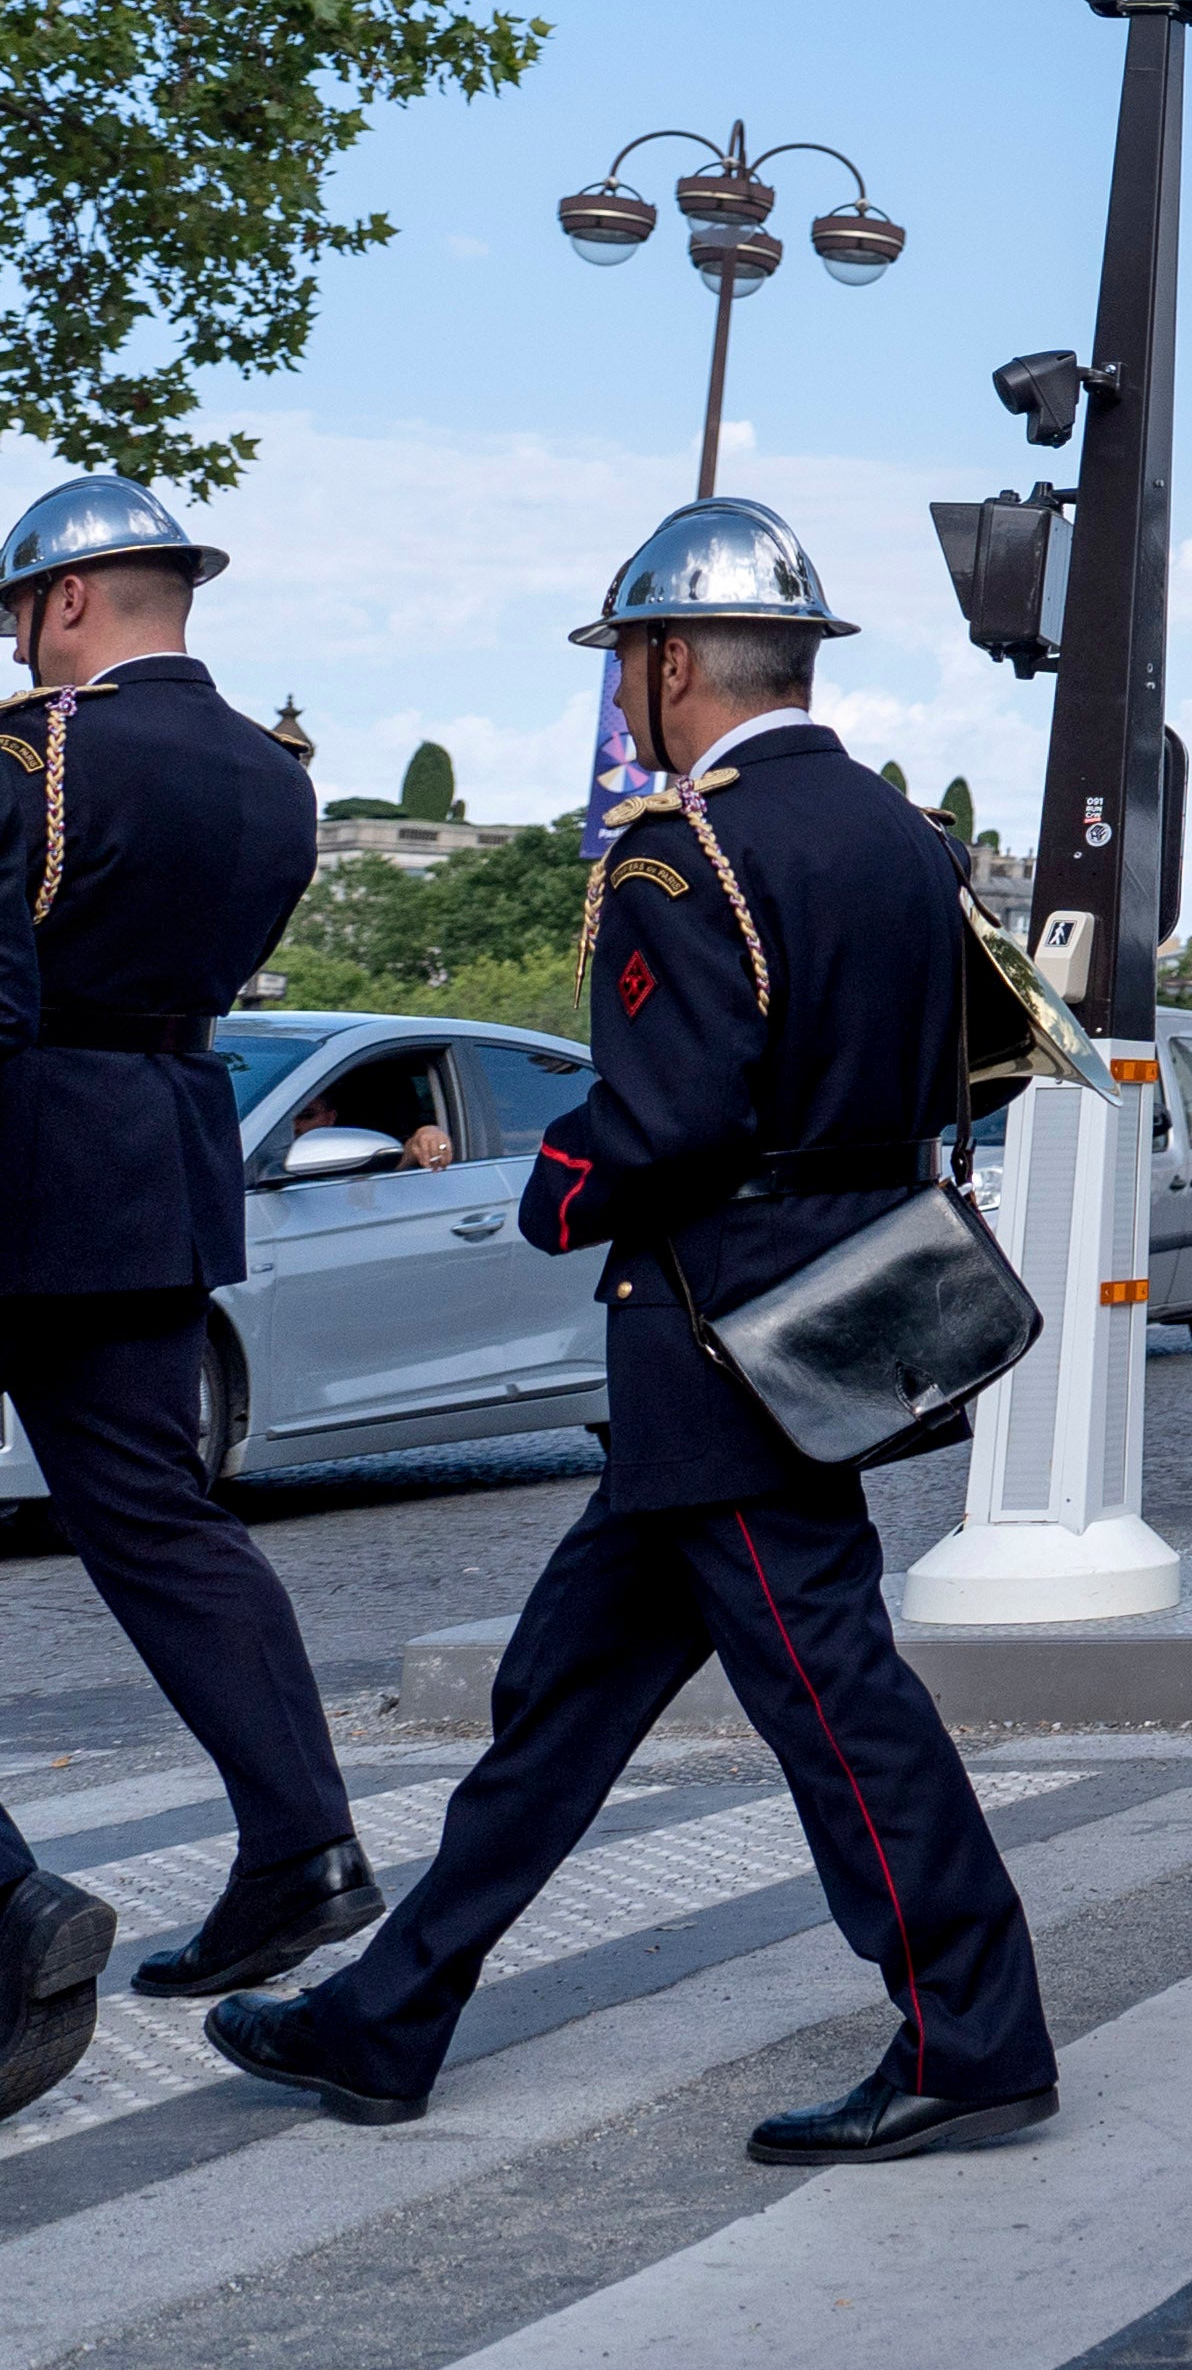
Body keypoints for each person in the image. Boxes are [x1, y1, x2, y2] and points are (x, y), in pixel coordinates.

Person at [213, 501, 1057, 2162]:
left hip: (719, 1337)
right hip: (835, 1309)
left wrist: (550, 1188)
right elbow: (982, 1057)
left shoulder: (687, 851)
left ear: (671, 663)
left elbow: (664, 1121)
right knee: (562, 1703)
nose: (623, 699)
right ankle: (387, 2018)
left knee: (836, 1705)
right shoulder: (905, 841)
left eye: (626, 668)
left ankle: (974, 2035)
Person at [0, 479, 355, 2113]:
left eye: (20, 616)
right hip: (160, 1159)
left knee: (152, 1527)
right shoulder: (273, 781)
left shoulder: (36, 753)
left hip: (26, 1158)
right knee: (163, 1528)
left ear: (64, 605)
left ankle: (12, 1903)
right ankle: (304, 1844)